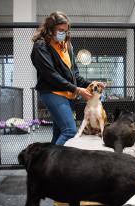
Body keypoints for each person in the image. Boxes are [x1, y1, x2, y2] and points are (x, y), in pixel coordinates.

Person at [31, 11, 98, 145]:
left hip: (67, 95)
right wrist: (78, 90)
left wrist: (92, 84)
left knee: (59, 133)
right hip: (52, 93)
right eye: (60, 30)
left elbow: (75, 75)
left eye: (65, 31)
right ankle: (54, 163)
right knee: (69, 131)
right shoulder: (41, 46)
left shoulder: (67, 46)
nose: (63, 33)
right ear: (50, 29)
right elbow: (51, 75)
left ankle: (48, 164)